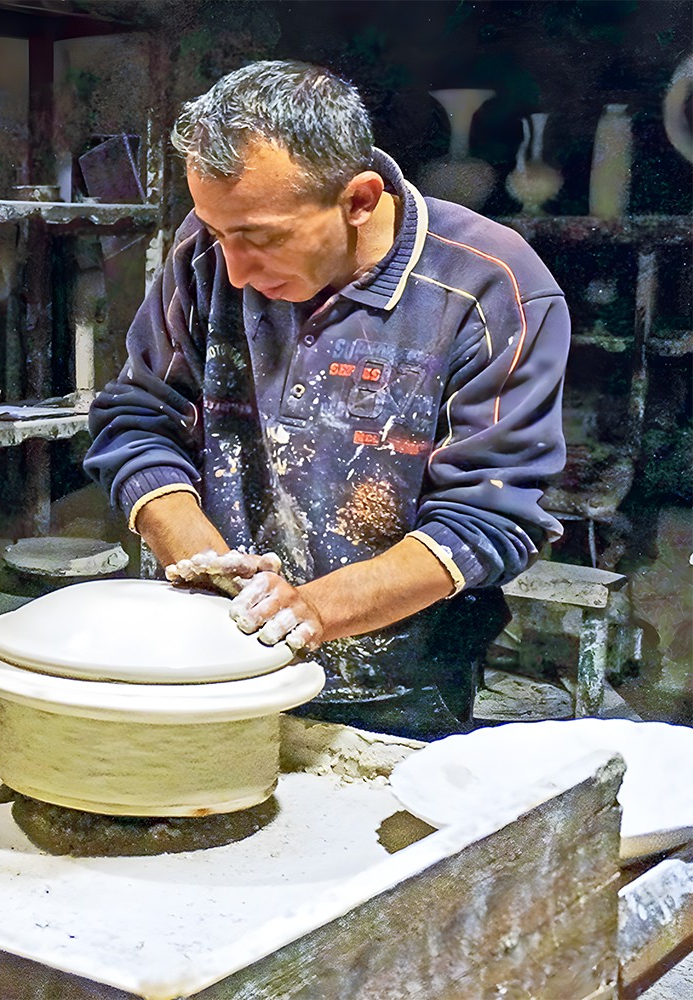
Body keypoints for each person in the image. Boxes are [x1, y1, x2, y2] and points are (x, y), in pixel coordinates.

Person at [83, 60, 570, 739]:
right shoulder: (209, 255)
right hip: (210, 667)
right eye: (218, 232)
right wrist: (199, 556)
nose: (232, 269)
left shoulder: (491, 287)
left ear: (361, 200)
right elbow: (137, 418)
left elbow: (492, 515)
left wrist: (309, 611)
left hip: (400, 688)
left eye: (261, 237)